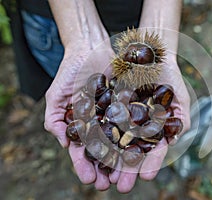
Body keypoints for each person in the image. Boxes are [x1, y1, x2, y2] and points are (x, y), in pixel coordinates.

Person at [6, 0, 191, 193]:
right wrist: (81, 36)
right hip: (57, 21)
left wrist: (159, 31)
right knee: (66, 79)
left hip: (132, 21)